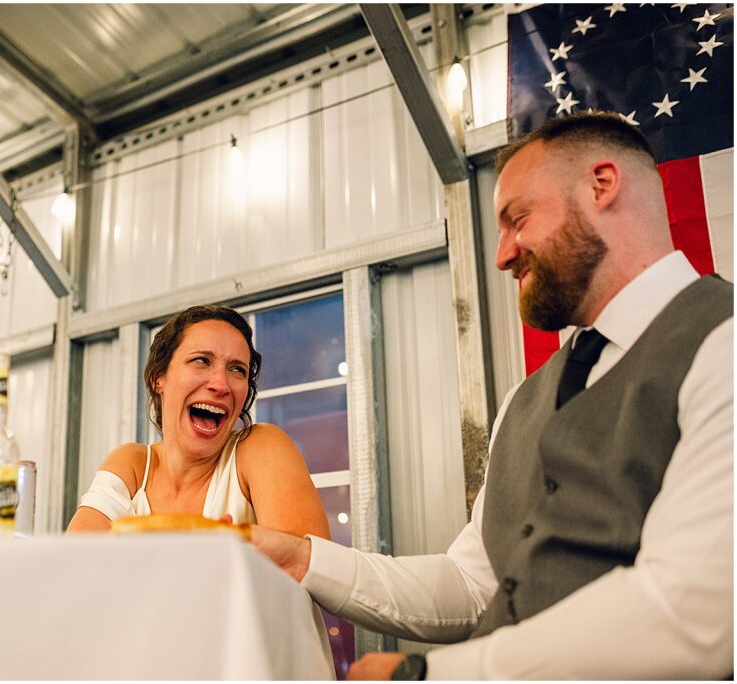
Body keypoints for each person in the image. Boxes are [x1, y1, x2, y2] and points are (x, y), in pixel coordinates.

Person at [251, 111, 733, 679]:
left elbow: (696, 612)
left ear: (602, 185)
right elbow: (474, 584)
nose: (503, 253)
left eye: (518, 218)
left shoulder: (723, 343)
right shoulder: (524, 402)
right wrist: (305, 558)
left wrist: (429, 675)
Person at [67, 304, 330, 539]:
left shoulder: (260, 447)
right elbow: (74, 566)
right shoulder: (133, 465)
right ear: (158, 378)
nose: (221, 384)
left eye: (237, 369)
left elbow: (304, 579)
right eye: (202, 361)